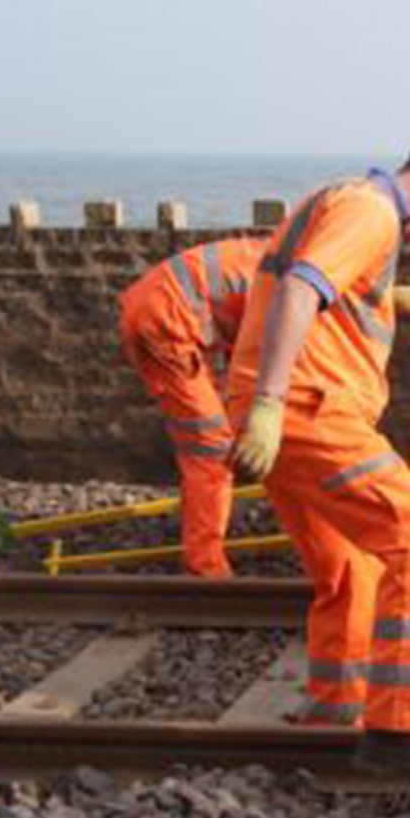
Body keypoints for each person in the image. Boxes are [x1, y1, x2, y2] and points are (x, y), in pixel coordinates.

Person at [227, 136, 410, 782]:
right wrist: (272, 401)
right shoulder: (373, 211)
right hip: (310, 410)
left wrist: (387, 296)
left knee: (350, 563)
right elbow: (298, 291)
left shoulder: (337, 197)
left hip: (281, 411)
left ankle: (335, 707)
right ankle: (402, 736)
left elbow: (308, 283)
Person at [117, 236, 269, 576]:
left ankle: (203, 549)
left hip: (158, 312)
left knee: (215, 443)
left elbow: (246, 354)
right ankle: (206, 567)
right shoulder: (292, 284)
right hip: (164, 322)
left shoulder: (277, 259)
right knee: (210, 449)